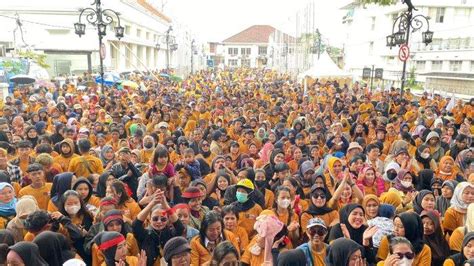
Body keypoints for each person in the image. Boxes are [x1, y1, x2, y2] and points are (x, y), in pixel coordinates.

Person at [132, 188, 184, 265]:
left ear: (168, 220)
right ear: (149, 219)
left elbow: (180, 227)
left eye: (163, 219)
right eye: (155, 219)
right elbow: (135, 225)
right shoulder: (144, 234)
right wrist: (152, 203)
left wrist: (166, 205)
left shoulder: (171, 234)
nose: (159, 222)